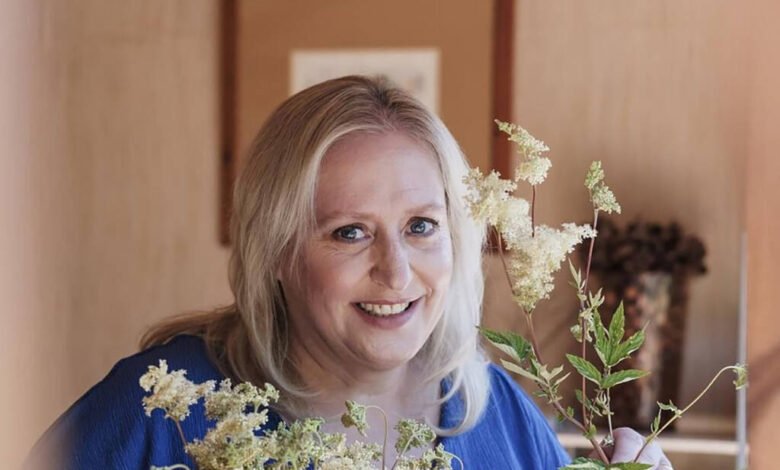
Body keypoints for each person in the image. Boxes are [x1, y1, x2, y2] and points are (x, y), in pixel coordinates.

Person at [27, 76, 671, 469]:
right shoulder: (157, 409)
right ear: (276, 251)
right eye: (349, 232)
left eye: (421, 226)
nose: (396, 272)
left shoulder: (493, 411)